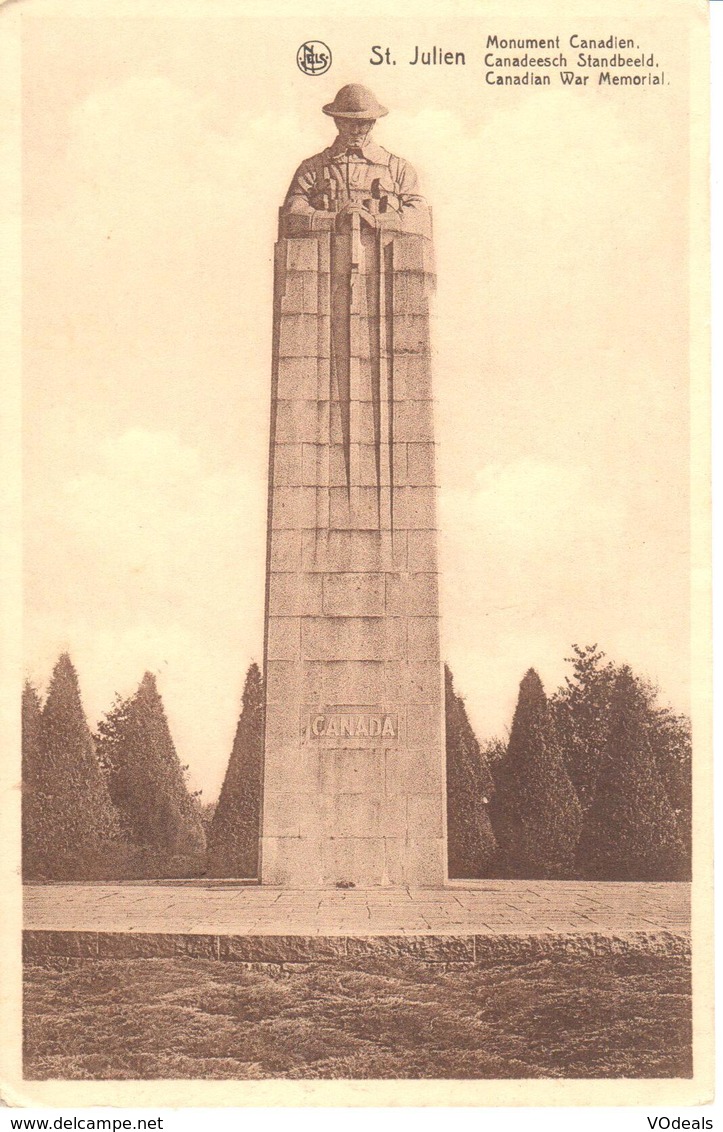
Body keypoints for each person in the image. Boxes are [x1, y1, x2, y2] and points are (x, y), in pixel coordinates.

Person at [283, 84, 428, 231]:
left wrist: (377, 222)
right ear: (337, 121)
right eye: (347, 122)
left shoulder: (399, 168)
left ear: (372, 123)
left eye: (362, 124)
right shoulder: (311, 168)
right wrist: (333, 220)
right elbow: (291, 213)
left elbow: (419, 215)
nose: (355, 130)